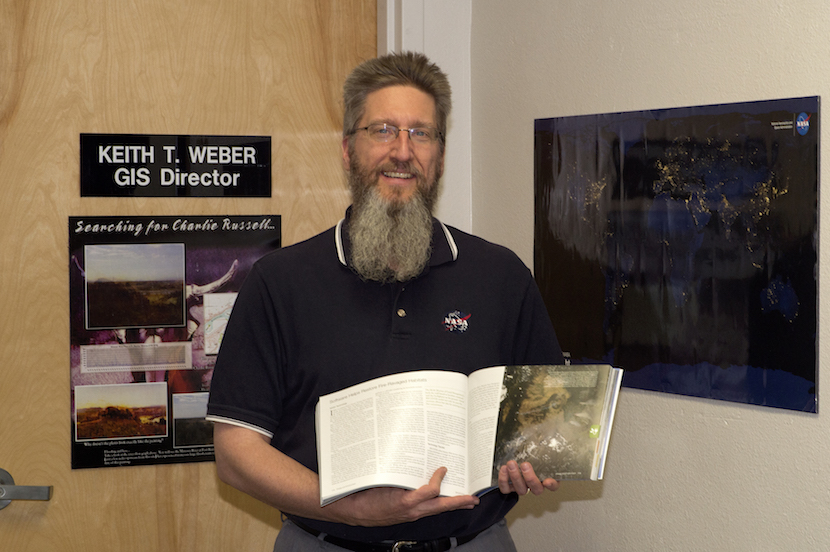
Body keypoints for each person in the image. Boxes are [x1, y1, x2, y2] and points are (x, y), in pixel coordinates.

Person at [206, 51, 565, 552]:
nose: (402, 151)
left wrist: (531, 461)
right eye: (382, 130)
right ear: (348, 150)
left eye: (420, 133)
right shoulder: (280, 282)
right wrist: (352, 509)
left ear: (439, 155)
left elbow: (544, 423)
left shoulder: (501, 276)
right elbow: (236, 452)